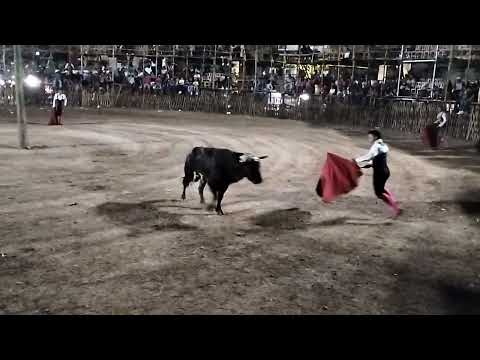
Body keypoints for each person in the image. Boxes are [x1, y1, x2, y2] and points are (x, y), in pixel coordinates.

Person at [355, 130, 401, 217]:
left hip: (379, 172)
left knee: (379, 193)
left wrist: (356, 160)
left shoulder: (375, 146)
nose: (368, 139)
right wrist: (370, 163)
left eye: (370, 137)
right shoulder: (383, 145)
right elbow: (378, 158)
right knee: (382, 189)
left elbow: (368, 157)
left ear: (375, 137)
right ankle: (393, 201)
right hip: (385, 171)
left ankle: (395, 208)